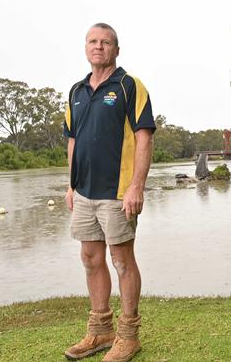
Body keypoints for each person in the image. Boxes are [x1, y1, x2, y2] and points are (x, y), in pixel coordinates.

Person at [63, 22, 155, 362]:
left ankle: (128, 336)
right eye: (92, 41)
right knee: (90, 259)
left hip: (118, 192)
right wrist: (71, 185)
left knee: (122, 261)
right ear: (85, 47)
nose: (98, 46)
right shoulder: (76, 91)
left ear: (116, 50)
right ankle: (101, 330)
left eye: (105, 42)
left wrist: (136, 186)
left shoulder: (130, 86)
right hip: (84, 192)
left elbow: (144, 136)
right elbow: (73, 140)